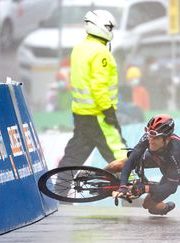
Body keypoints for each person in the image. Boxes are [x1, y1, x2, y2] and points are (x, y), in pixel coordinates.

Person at [57, 10, 128, 172]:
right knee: (121, 154)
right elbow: (99, 86)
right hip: (99, 114)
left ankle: (58, 191)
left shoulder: (79, 48)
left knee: (73, 156)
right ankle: (132, 192)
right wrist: (108, 110)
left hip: (81, 114)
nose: (111, 32)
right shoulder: (100, 52)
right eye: (109, 27)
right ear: (100, 26)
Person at [110, 114, 180, 215]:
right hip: (156, 155)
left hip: (174, 166)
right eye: (149, 136)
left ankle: (166, 207)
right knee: (117, 165)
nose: (150, 141)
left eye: (155, 138)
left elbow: (171, 187)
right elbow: (131, 160)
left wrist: (145, 189)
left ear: (167, 139)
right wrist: (122, 186)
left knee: (149, 206)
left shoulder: (176, 153)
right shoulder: (149, 137)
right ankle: (91, 174)